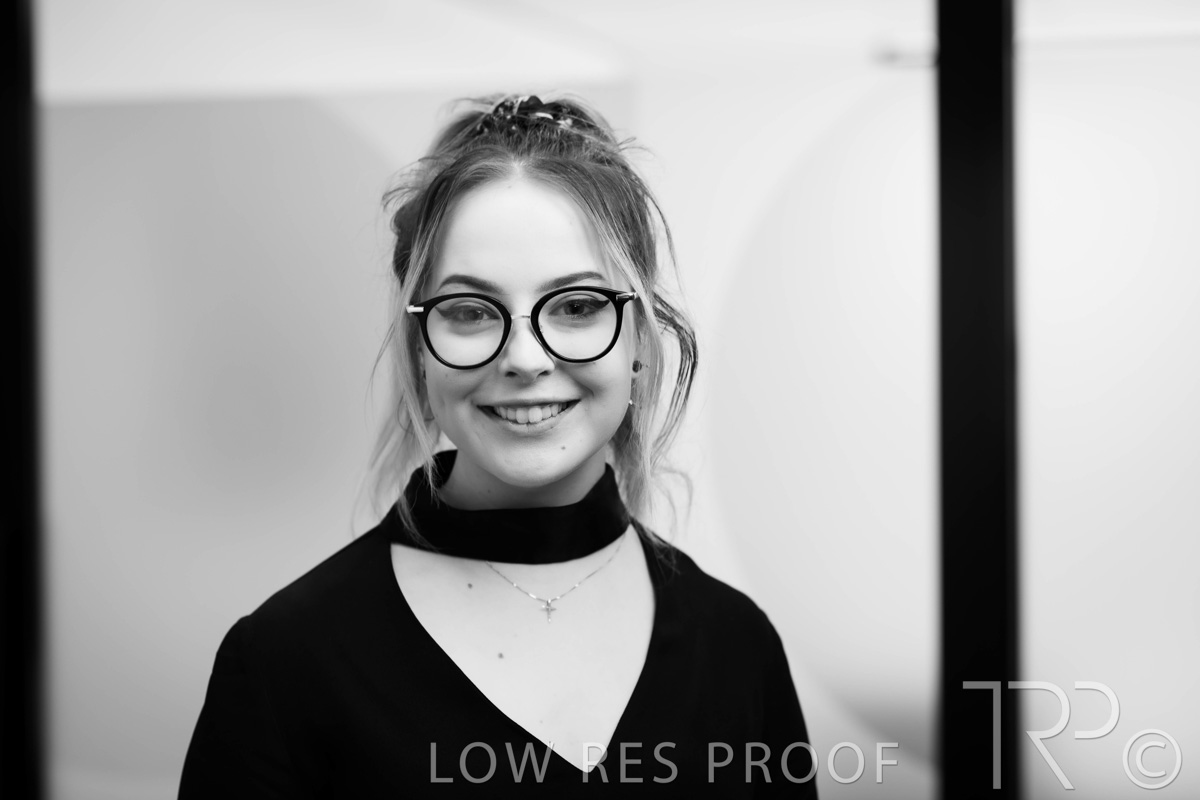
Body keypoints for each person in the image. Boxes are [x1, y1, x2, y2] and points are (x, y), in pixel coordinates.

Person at [179, 94, 817, 797]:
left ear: (639, 337)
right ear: (419, 347)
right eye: (470, 311)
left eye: (577, 306)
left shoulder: (738, 648)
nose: (524, 359)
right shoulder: (283, 662)